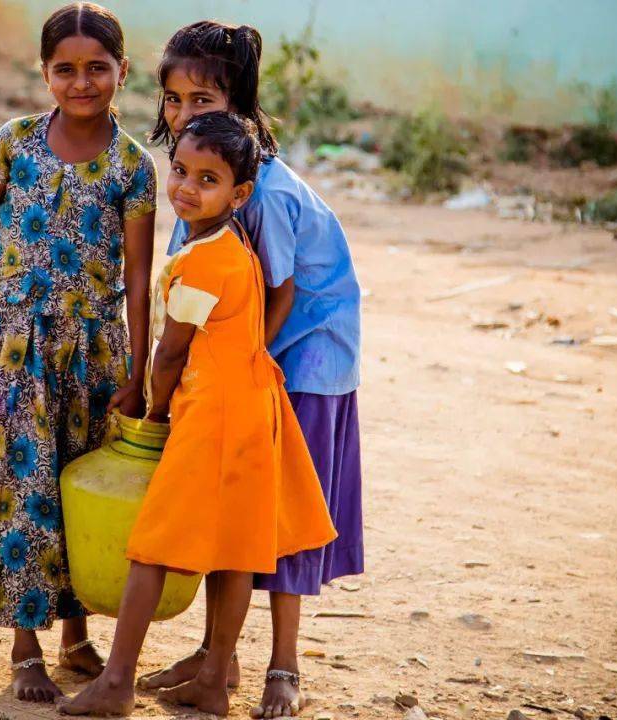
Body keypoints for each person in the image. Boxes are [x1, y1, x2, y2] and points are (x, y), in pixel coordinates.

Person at [0, 2, 157, 704]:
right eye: (65, 70)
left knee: (75, 488)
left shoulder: (133, 166)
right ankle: (25, 649)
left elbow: (139, 277)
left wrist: (137, 372)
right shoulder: (13, 143)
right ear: (43, 72)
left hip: (92, 356)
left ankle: (76, 639)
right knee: (21, 494)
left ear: (122, 71)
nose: (82, 83)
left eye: (97, 69)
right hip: (13, 349)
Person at [58, 112, 336, 718]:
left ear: (239, 194)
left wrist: (154, 412)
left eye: (207, 179)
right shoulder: (234, 246)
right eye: (180, 170)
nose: (185, 186)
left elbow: (170, 353)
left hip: (212, 415)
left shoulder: (202, 261)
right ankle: (214, 681)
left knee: (152, 546)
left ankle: (117, 683)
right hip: (253, 409)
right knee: (236, 550)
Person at [138, 22, 365, 719]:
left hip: (303, 359)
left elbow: (282, 292)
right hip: (251, 363)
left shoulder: (259, 190)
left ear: (238, 101)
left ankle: (284, 667)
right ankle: (218, 657)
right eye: (172, 99)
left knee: (282, 516)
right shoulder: (204, 169)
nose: (183, 115)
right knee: (233, 507)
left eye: (201, 97)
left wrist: (243, 367)